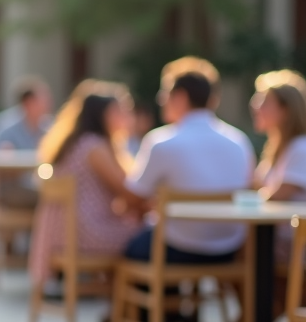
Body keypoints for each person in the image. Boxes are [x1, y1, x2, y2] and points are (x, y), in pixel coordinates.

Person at [124, 57, 255, 263]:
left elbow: (132, 197)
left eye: (164, 93)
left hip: (177, 247)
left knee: (128, 248)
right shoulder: (240, 141)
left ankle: (165, 294)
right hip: (228, 248)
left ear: (181, 97)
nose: (160, 100)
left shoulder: (162, 141)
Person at [29, 81, 142, 287]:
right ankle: (133, 310)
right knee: (148, 237)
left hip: (63, 234)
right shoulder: (94, 147)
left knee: (141, 231)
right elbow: (128, 192)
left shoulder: (77, 141)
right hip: (85, 234)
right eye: (119, 111)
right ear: (102, 115)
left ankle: (122, 309)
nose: (127, 116)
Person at [251, 69, 306, 263]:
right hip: (279, 239)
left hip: (294, 245)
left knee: (239, 251)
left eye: (263, 101)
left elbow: (276, 196)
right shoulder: (276, 149)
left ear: (286, 109)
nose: (254, 106)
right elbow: (257, 188)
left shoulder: (300, 148)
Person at [0, 76, 52, 150]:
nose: (48, 103)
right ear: (28, 102)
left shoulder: (49, 126)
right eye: (43, 99)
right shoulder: (4, 126)